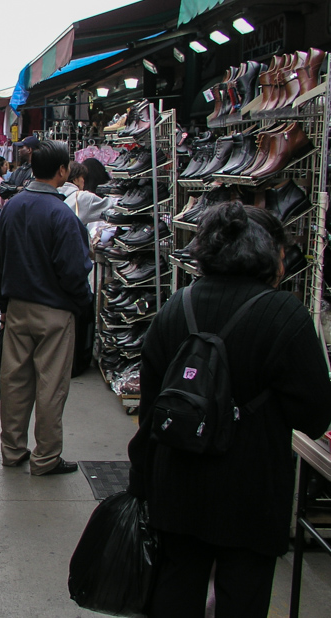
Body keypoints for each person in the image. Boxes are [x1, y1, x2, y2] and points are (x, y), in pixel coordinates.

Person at [128, 202, 331, 618]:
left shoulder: (176, 306)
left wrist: (143, 484)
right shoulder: (285, 315)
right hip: (251, 495)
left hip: (177, 487)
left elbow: (150, 412)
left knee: (174, 596)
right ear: (269, 253)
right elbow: (314, 415)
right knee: (243, 600)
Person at [0, 140, 91, 475]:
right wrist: (81, 303)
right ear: (62, 171)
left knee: (15, 382)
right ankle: (46, 457)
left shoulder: (13, 207)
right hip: (54, 311)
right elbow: (74, 271)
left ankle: (12, 449)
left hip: (17, 307)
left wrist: (2, 303)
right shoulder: (62, 214)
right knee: (50, 385)